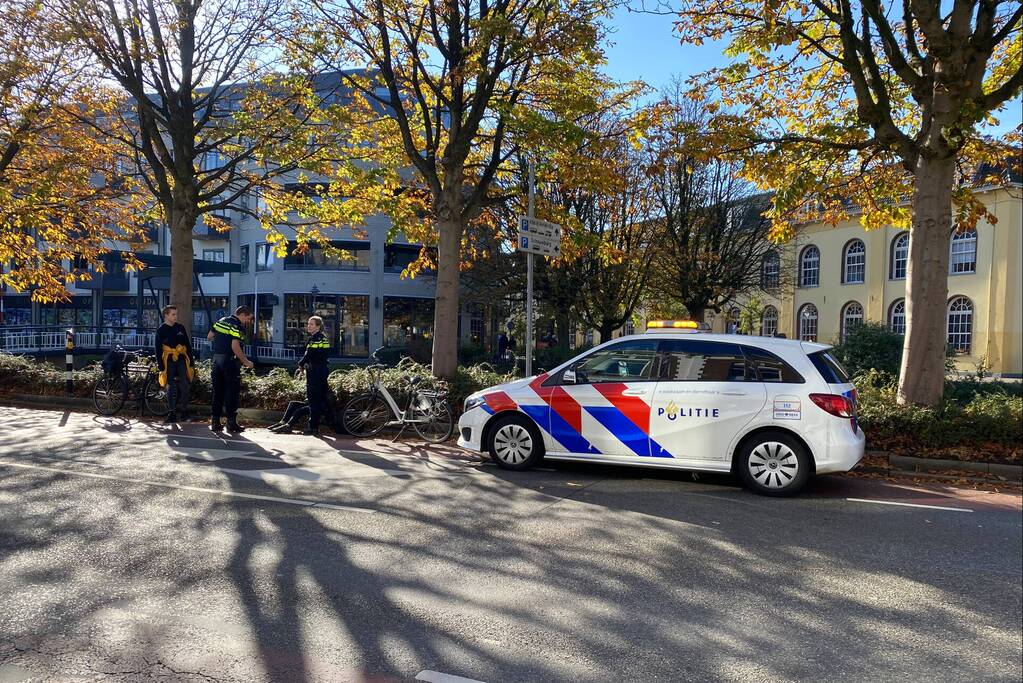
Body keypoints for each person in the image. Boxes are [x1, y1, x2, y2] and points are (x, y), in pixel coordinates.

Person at [207, 305, 254, 433]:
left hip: (216, 360)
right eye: (248, 318)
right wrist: (246, 362)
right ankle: (231, 423)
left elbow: (210, 336)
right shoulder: (238, 326)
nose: (248, 321)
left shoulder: (221, 321)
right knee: (231, 393)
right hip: (229, 361)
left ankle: (215, 422)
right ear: (243, 315)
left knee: (218, 392)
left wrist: (221, 341)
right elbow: (235, 346)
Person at [155, 305, 194, 423]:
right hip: (169, 361)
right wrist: (161, 366)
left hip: (181, 360)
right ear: (166, 315)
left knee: (185, 386)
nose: (176, 316)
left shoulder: (180, 328)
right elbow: (158, 349)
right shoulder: (161, 330)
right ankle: (171, 413)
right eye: (173, 314)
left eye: (176, 314)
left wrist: (191, 361)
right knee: (171, 387)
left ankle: (184, 412)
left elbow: (187, 345)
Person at [298, 315, 332, 435]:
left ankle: (313, 427)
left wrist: (301, 364)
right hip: (322, 370)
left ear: (318, 326)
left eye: (311, 324)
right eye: (308, 324)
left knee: (313, 400)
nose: (308, 326)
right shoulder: (323, 338)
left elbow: (309, 355)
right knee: (321, 398)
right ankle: (328, 422)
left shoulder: (314, 339)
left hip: (315, 372)